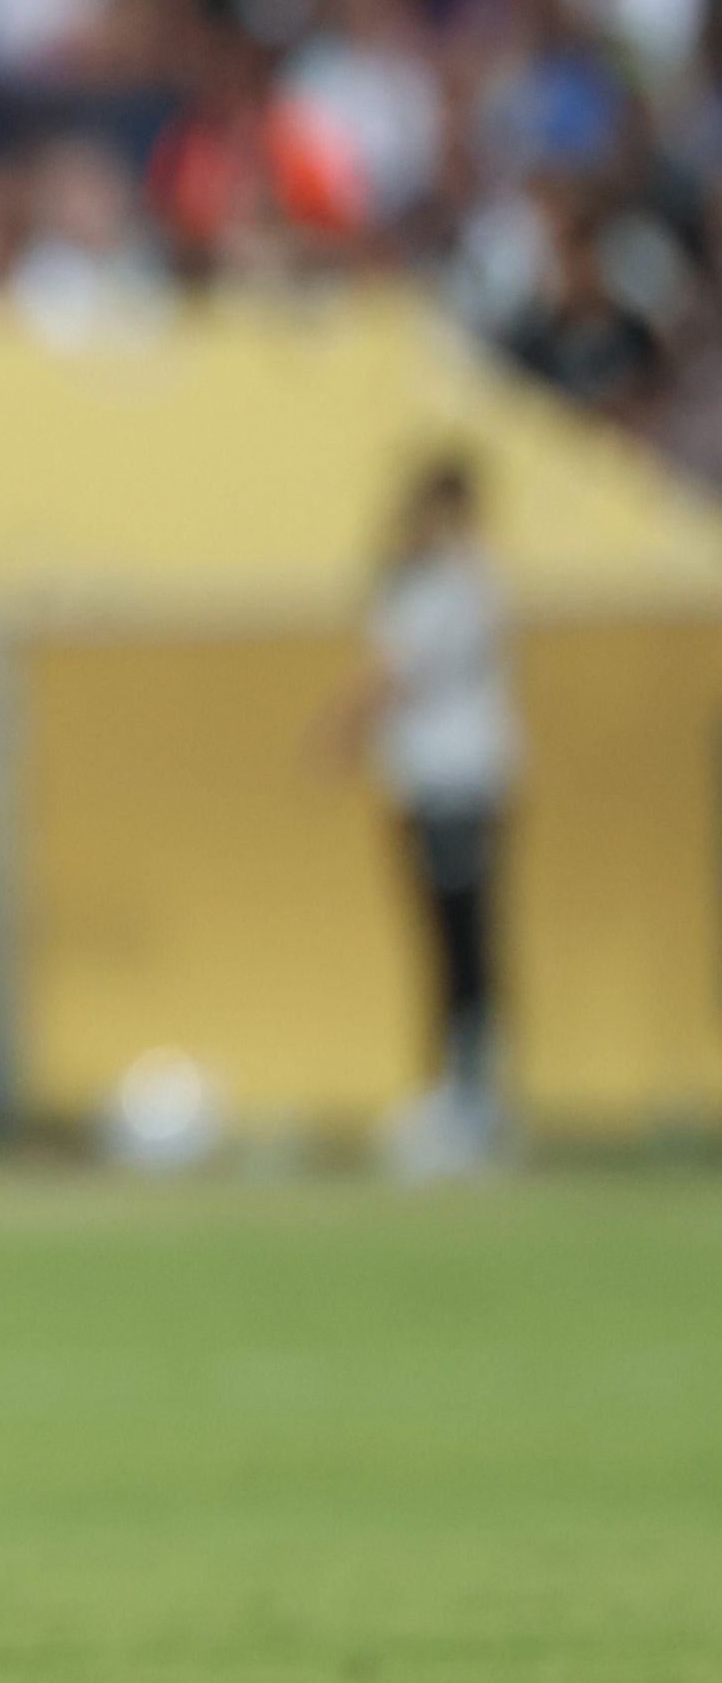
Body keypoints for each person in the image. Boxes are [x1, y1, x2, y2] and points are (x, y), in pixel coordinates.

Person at [346, 453, 514, 1175]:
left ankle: (469, 1102)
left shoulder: (450, 584)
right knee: (450, 940)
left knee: (461, 941)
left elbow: (393, 676)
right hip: (437, 780)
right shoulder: (462, 582)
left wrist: (335, 736)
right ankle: (463, 1092)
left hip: (456, 782)